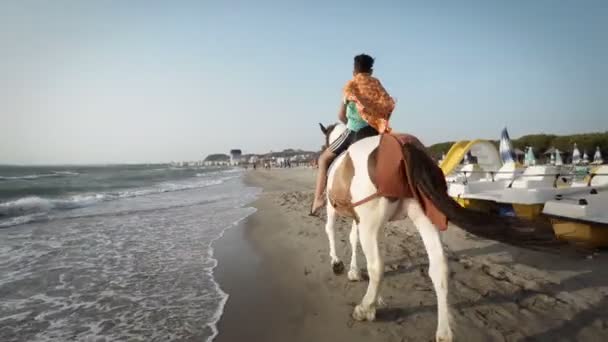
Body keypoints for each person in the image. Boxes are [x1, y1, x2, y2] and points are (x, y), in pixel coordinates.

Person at [310, 54, 395, 215]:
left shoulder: (351, 86)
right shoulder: (377, 85)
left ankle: (318, 199)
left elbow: (340, 116)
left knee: (323, 159)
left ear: (354, 71)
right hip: (376, 131)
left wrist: (351, 120)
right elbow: (388, 106)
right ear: (371, 70)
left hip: (354, 131)